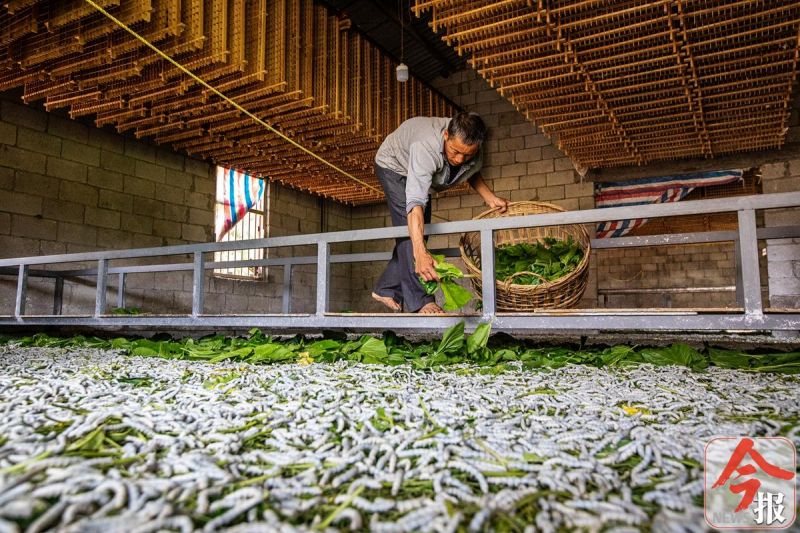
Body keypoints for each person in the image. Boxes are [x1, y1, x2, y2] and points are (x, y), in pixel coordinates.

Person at [371, 111, 509, 314]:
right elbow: (414, 203)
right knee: (412, 236)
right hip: (394, 166)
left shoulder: (473, 150)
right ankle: (421, 301)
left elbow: (470, 171)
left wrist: (490, 198)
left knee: (419, 234)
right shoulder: (425, 147)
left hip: (417, 170)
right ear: (446, 135)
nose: (460, 158)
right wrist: (420, 253)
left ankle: (385, 288)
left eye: (467, 154)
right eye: (455, 151)